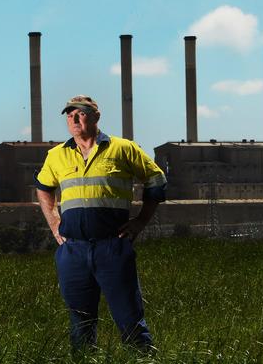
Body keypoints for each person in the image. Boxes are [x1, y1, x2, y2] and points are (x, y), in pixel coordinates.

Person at [35, 95, 167, 351]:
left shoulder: (123, 148)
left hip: (112, 246)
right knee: (79, 325)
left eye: (80, 113)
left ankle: (141, 357)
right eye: (69, 114)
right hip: (73, 250)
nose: (73, 119)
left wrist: (140, 221)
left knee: (130, 319)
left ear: (96, 116)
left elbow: (156, 180)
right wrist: (53, 223)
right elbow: (43, 188)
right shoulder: (56, 155)